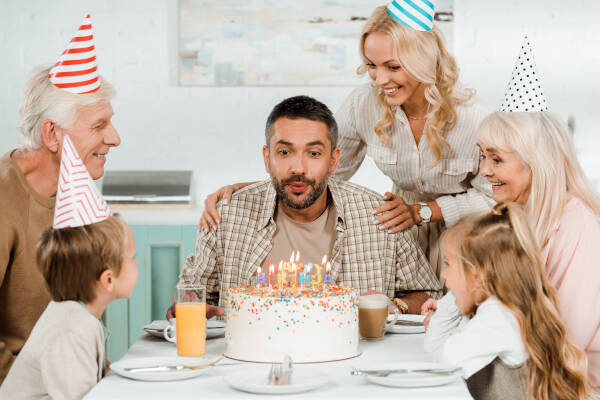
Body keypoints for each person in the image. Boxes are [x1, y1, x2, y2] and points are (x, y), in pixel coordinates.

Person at [197, 3, 493, 278]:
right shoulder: (365, 104)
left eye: (392, 67)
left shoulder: (472, 119)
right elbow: (323, 172)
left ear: (423, 60)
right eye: (371, 66)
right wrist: (239, 191)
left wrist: (422, 212)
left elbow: (495, 198)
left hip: (470, 233)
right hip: (405, 226)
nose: (379, 80)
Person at [167, 95, 441, 319]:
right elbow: (189, 297)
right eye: (284, 152)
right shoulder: (226, 215)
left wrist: (397, 306)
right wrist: (188, 308)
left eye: (313, 153)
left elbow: (429, 294)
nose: (298, 168)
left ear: (334, 161)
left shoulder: (379, 216)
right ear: (267, 157)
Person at [0, 15, 120, 383]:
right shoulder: (4, 199)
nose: (115, 138)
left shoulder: (73, 192)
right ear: (53, 134)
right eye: (99, 125)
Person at [476, 36, 599, 392]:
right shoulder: (518, 217)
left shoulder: (578, 223)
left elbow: (568, 333)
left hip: (574, 384)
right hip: (533, 371)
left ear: (536, 162)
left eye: (497, 159)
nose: (484, 170)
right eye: (483, 156)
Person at [423, 203, 589, 400]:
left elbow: (442, 362)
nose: (443, 274)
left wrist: (449, 304)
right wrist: (461, 294)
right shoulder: (497, 310)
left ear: (477, 274)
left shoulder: (498, 317)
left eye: (449, 264)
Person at [0, 214, 137, 399]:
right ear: (108, 279)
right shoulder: (69, 331)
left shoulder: (76, 317)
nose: (136, 263)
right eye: (132, 258)